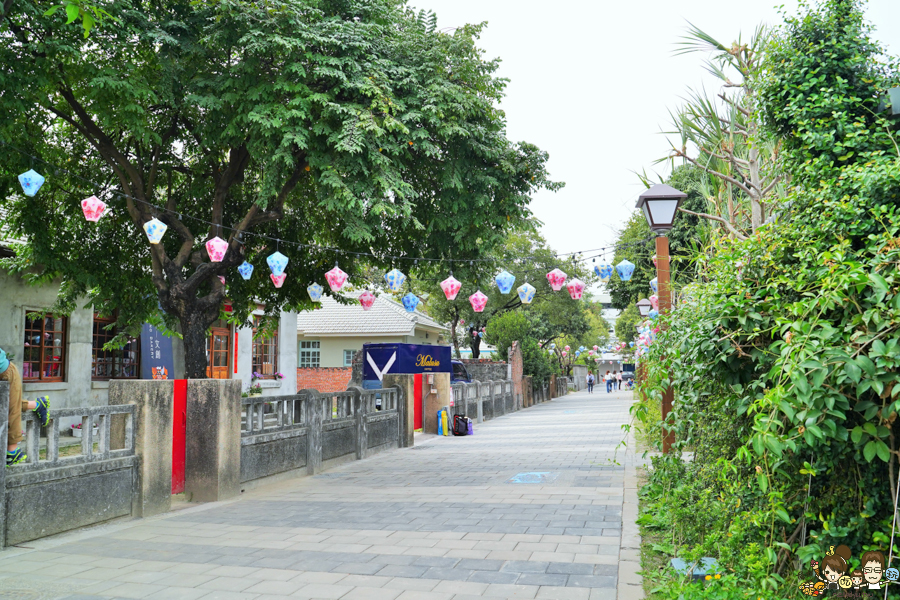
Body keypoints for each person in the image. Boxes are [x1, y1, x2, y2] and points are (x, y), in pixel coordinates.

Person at [1, 347, 50, 466]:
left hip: (7, 372)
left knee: (11, 410)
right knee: (11, 404)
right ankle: (37, 404)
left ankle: (13, 451)